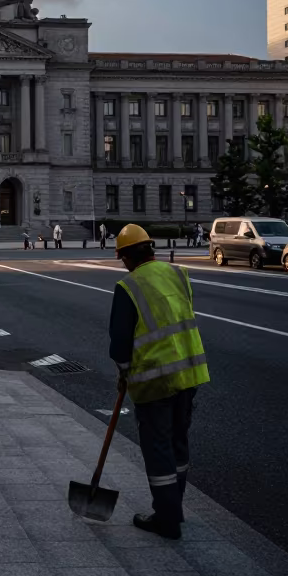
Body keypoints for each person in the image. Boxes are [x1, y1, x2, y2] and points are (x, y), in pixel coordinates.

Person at [108, 224, 209, 539]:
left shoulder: (128, 286)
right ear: (150, 249)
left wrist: (124, 373)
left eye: (122, 257)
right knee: (179, 442)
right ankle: (174, 506)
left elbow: (120, 343)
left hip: (154, 381)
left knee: (158, 447)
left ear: (125, 256)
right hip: (189, 372)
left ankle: (166, 519)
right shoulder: (178, 274)